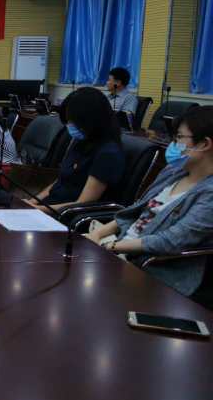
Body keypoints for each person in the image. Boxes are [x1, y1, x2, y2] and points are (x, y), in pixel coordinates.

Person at [86, 106, 213, 298]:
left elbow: (171, 241)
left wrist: (110, 247)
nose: (173, 144)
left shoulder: (209, 193)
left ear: (204, 144)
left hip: (151, 270)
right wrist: (97, 235)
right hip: (119, 249)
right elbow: (137, 210)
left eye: (179, 137)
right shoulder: (173, 172)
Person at [27, 87, 125, 212]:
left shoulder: (108, 153)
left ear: (90, 120)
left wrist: (37, 209)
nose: (70, 125)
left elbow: (83, 204)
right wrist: (32, 202)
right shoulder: (82, 141)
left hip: (67, 215)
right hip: (49, 207)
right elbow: (60, 181)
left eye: (73, 121)